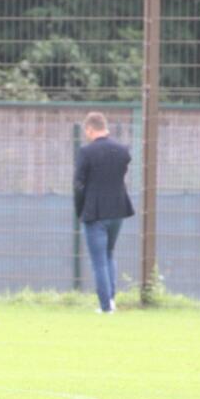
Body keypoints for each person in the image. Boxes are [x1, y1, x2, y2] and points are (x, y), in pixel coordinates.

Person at [74, 111, 135, 314]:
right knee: (109, 254)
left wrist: (80, 210)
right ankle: (111, 300)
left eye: (86, 132)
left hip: (95, 213)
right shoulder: (123, 151)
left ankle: (105, 307)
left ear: (90, 129)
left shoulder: (86, 152)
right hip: (118, 211)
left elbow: (78, 185)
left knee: (98, 262)